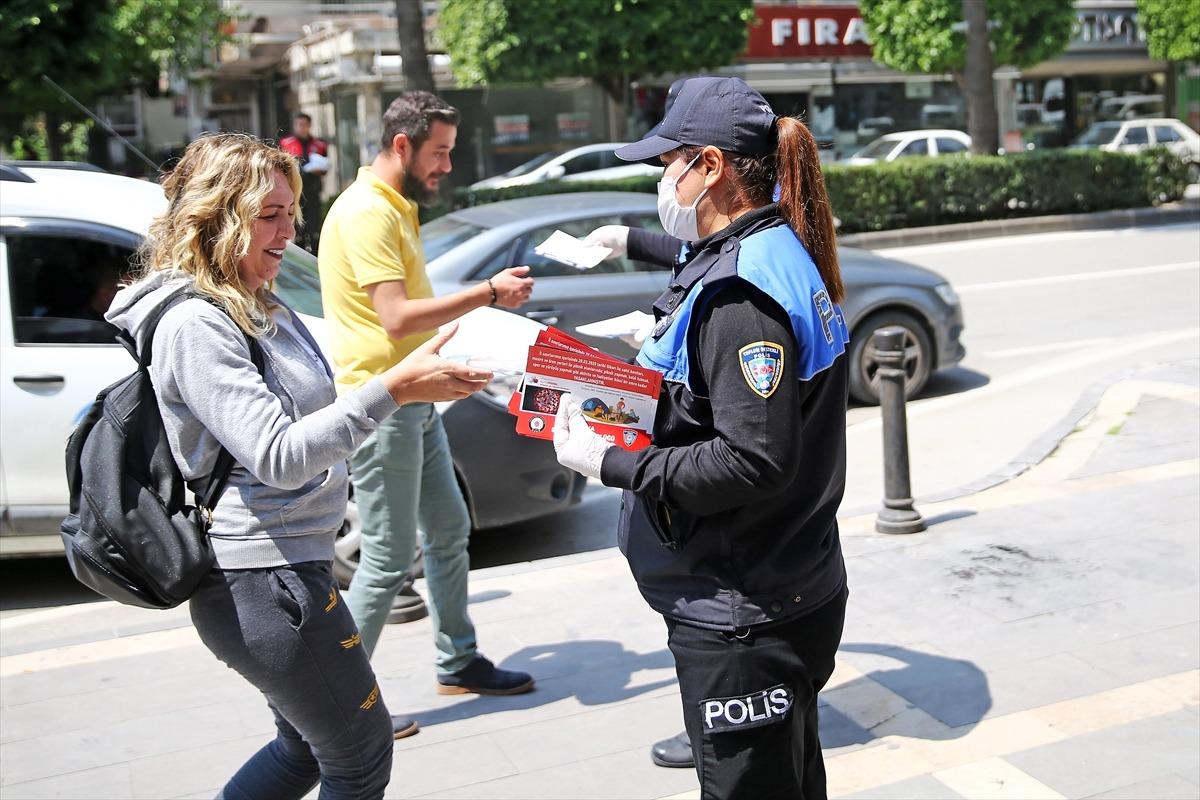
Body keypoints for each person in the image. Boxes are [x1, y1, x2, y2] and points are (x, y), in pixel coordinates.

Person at [105, 133, 492, 799]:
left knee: (304, 751)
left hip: (288, 570)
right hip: (266, 580)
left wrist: (403, 388)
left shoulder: (253, 301)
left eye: (291, 213)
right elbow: (279, 456)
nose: (288, 231)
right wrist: (395, 388)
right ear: (217, 219)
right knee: (359, 758)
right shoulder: (196, 324)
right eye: (269, 215)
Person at [557, 76, 851, 798]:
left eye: (669, 165)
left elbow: (753, 459)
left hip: (744, 610)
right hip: (784, 580)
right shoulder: (773, 244)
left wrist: (614, 463)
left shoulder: (742, 298)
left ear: (710, 165)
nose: (665, 181)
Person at [319, 90, 537, 729]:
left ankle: (458, 660)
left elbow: (400, 319)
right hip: (383, 404)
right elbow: (395, 317)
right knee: (388, 558)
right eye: (439, 152)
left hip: (414, 397)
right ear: (402, 145)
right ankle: (339, 706)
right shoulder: (368, 212)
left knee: (447, 531)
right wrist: (488, 293)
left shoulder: (394, 204)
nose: (446, 165)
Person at [280, 112, 330, 253]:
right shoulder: (286, 143)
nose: (301, 128)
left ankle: (315, 256)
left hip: (313, 190)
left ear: (309, 126)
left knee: (313, 228)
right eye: (299, 124)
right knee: (297, 229)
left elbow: (325, 166)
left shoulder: (319, 144)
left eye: (304, 125)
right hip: (294, 192)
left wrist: (320, 169)